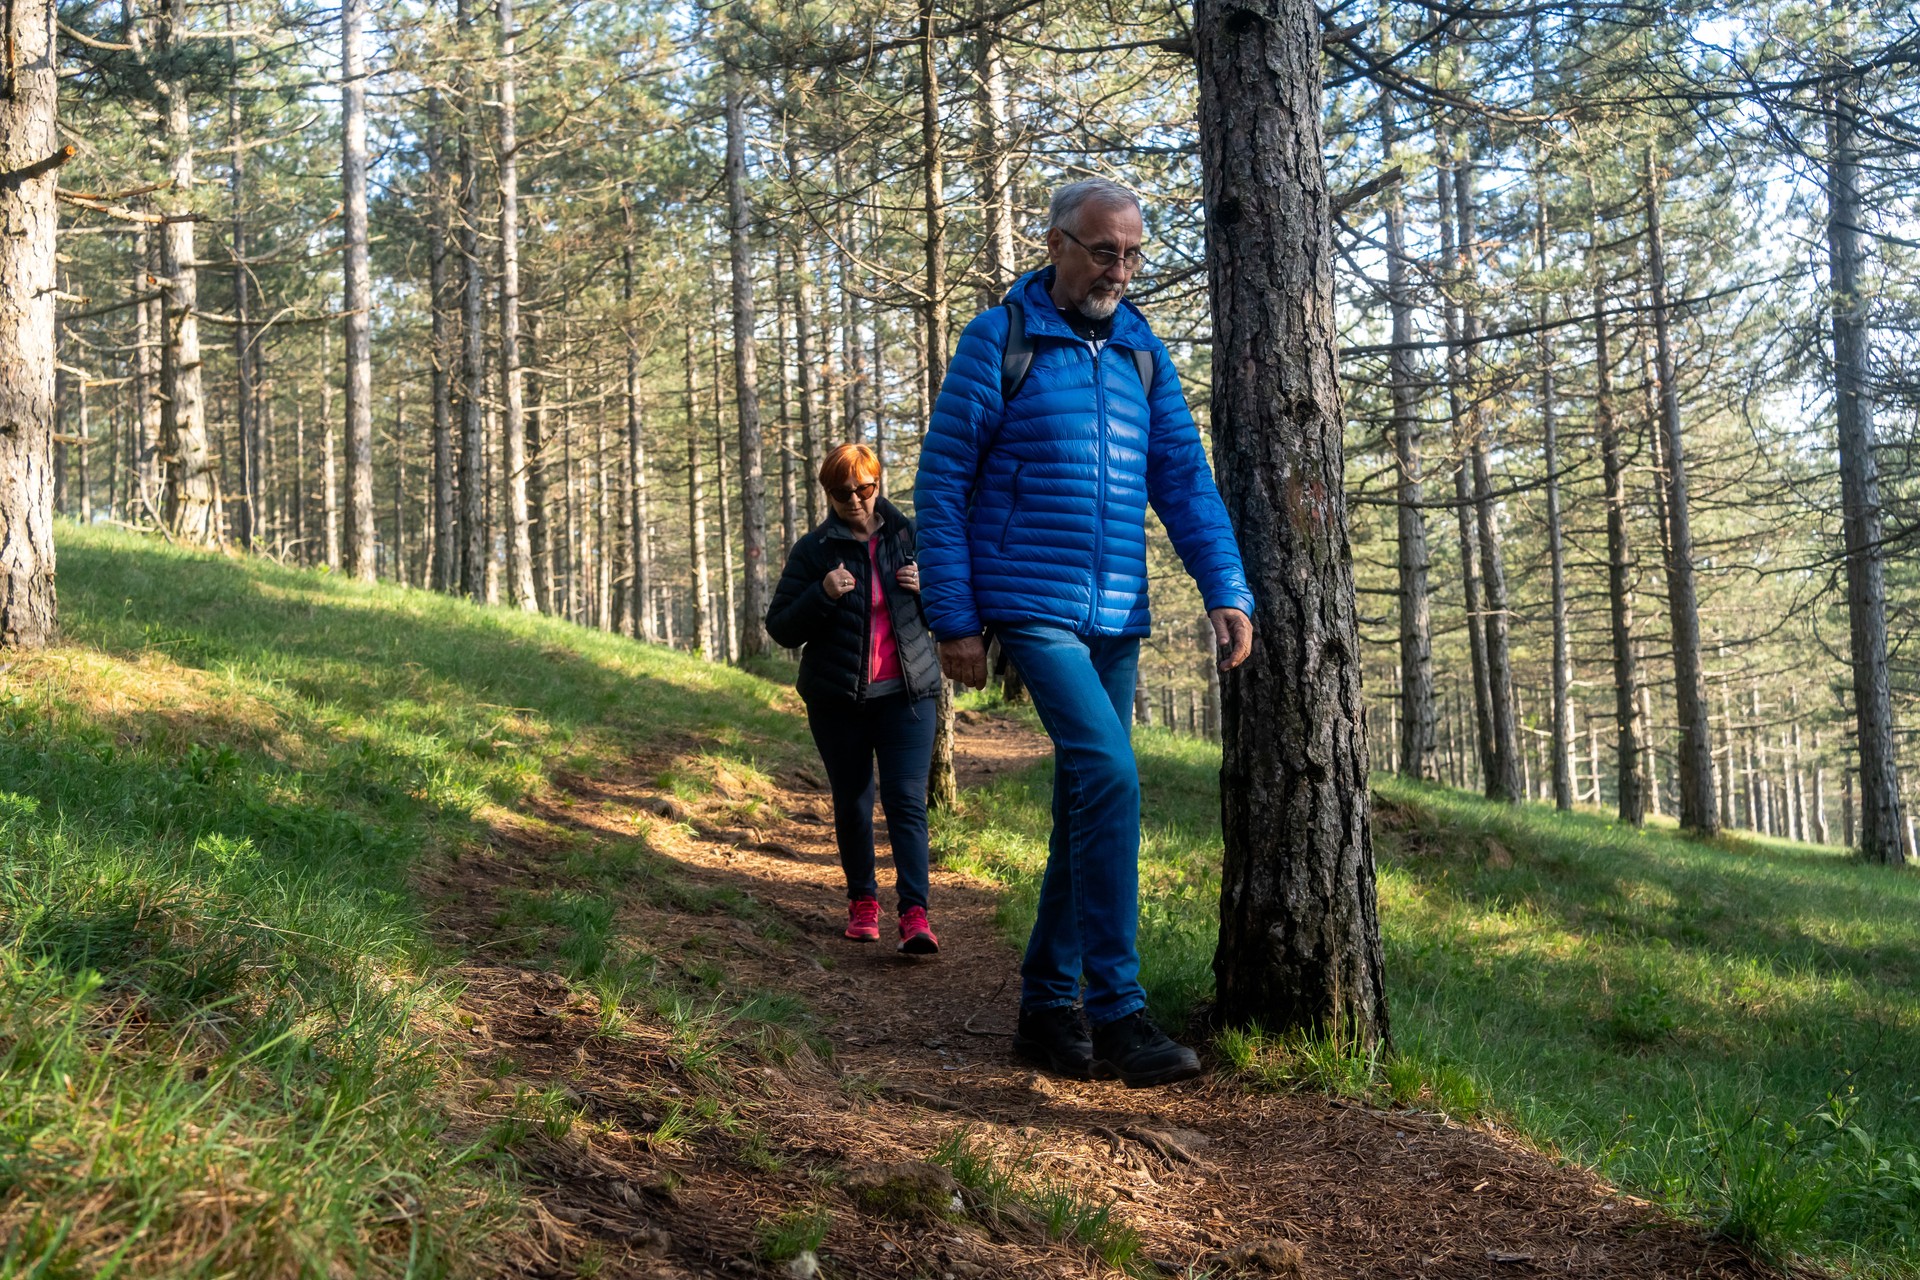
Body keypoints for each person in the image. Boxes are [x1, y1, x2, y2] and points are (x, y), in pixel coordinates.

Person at [914, 178, 1254, 1087]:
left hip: (1118, 613)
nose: (1121, 269)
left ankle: (1042, 1003)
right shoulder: (1000, 340)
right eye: (1105, 251)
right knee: (1110, 773)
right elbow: (942, 487)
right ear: (1057, 243)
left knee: (1083, 803)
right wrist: (953, 618)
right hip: (1031, 600)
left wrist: (1226, 587)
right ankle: (1117, 1011)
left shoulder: (1143, 351)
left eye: (1135, 253)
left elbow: (1183, 478)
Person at [766, 443, 944, 954]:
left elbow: (954, 615)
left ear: (878, 483)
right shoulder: (815, 550)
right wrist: (822, 592)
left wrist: (925, 591)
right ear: (830, 495)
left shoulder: (912, 537)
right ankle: (862, 903)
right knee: (853, 800)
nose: (856, 500)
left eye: (864, 489)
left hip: (908, 696)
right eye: (843, 493)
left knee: (907, 801)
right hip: (837, 700)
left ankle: (914, 915)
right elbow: (780, 628)